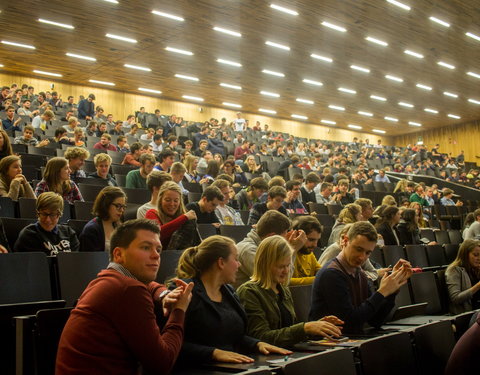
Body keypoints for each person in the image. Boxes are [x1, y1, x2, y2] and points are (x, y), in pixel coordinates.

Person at [56, 219, 193, 375]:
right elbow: (162, 363)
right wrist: (179, 311)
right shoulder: (128, 290)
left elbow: (149, 284)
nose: (156, 255)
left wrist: (163, 294)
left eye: (159, 249)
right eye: (146, 247)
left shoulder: (109, 279)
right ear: (119, 254)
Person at [175, 235, 289, 366]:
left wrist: (257, 343)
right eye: (235, 259)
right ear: (221, 263)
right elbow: (172, 342)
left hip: (231, 366)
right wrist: (213, 353)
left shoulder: (229, 292)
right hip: (197, 367)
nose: (239, 265)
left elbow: (234, 336)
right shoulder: (185, 290)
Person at [237, 235, 343, 347]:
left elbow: (289, 332)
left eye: (288, 266)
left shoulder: (283, 290)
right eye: (281, 266)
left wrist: (317, 327)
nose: (286, 271)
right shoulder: (249, 292)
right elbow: (261, 337)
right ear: (265, 264)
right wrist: (305, 328)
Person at [309, 221, 412, 334]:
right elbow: (349, 322)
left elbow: (374, 320)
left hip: (350, 340)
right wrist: (382, 292)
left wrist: (391, 290)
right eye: (358, 249)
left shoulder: (360, 273)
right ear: (345, 240)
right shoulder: (331, 274)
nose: (362, 257)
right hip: (329, 343)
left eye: (368, 253)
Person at [14, 192, 79, 255]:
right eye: (44, 214)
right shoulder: (29, 235)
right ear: (38, 213)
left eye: (52, 214)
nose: (47, 220)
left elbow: (74, 262)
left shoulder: (69, 233)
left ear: (59, 215)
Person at [145, 181, 198, 249]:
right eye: (167, 200)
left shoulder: (184, 218)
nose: (172, 204)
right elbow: (156, 234)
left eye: (176, 201)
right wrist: (184, 218)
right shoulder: (152, 213)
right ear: (160, 200)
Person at [79, 187, 126, 252]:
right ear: (106, 204)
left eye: (123, 207)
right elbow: (91, 260)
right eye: (118, 206)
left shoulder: (120, 227)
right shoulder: (91, 230)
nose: (121, 210)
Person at [445, 239, 480, 314]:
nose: (479, 258)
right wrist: (478, 285)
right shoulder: (454, 270)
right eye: (475, 255)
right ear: (465, 254)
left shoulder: (476, 269)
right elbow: (455, 298)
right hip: (467, 315)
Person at [289, 216, 321, 285]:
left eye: (317, 240)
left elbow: (321, 272)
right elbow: (285, 281)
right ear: (296, 235)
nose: (315, 245)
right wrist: (318, 279)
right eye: (311, 240)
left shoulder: (309, 252)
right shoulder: (285, 253)